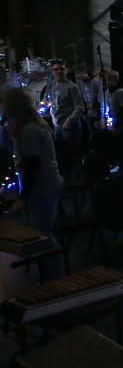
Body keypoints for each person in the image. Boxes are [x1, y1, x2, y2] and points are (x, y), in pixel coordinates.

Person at [3, 88, 63, 279]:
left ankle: (54, 276)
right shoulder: (32, 126)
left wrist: (23, 196)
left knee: (41, 234)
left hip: (42, 186)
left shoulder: (29, 131)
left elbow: (33, 166)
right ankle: (47, 272)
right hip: (45, 184)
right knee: (37, 231)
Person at [42, 60, 84, 171]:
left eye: (62, 69)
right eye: (56, 69)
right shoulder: (51, 86)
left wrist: (69, 120)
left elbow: (80, 107)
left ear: (66, 70)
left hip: (69, 126)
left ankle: (76, 174)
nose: (59, 71)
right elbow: (46, 101)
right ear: (52, 71)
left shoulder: (72, 87)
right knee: (61, 152)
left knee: (73, 151)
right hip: (57, 125)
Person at [73, 61, 102, 138]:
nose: (77, 76)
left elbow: (100, 100)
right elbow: (81, 97)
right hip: (88, 114)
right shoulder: (79, 82)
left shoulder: (95, 83)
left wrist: (98, 118)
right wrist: (84, 113)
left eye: (79, 73)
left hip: (97, 113)